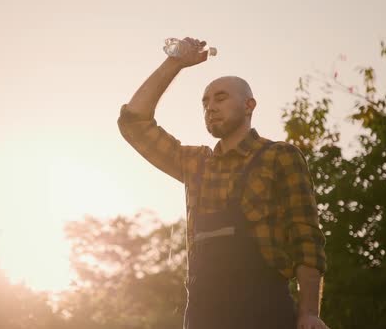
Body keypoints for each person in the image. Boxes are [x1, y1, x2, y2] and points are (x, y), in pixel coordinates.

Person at [117, 37, 328, 329]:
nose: (210, 107)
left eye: (221, 98)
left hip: (264, 311)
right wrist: (175, 62)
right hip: (203, 315)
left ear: (249, 105)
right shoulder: (195, 164)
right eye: (205, 102)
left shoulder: (280, 156)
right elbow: (134, 122)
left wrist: (309, 313)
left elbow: (307, 239)